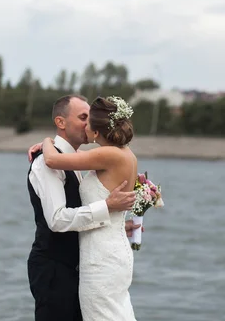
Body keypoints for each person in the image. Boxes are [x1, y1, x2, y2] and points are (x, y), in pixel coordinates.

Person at [26, 94, 140, 321]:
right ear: (61, 122)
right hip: (56, 269)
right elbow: (57, 220)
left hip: (92, 263)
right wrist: (107, 210)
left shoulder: (87, 158)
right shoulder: (49, 162)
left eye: (90, 118)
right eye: (82, 117)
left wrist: (112, 218)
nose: (87, 123)